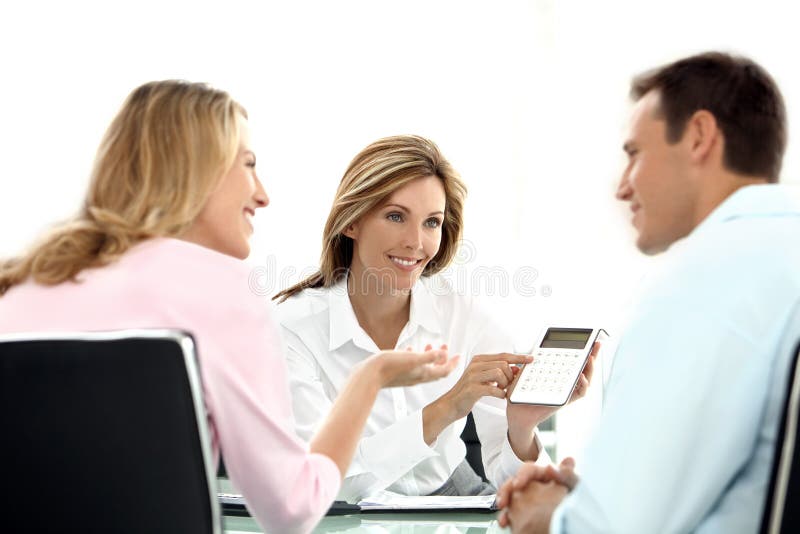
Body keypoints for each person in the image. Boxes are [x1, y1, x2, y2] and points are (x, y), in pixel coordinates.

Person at [0, 81, 458, 534]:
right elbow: (292, 509)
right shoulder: (221, 292)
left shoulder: (17, 288)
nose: (262, 194)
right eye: (248, 165)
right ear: (197, 171)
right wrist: (370, 377)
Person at [495, 51, 800, 533]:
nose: (622, 187)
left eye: (634, 153)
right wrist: (591, 495)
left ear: (699, 137)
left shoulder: (702, 278)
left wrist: (547, 518)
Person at [273, 135, 598, 502]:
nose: (416, 242)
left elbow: (516, 493)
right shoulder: (291, 329)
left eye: (432, 222)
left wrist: (520, 427)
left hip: (454, 504)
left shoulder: (465, 317)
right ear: (352, 222)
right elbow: (324, 482)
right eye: (396, 216)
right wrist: (446, 408)